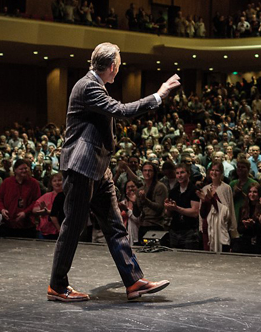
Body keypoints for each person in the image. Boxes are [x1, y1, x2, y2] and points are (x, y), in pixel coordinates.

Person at [48, 42, 180, 302]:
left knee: (114, 226)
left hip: (98, 167)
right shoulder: (88, 87)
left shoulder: (95, 86)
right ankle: (57, 286)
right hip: (81, 166)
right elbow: (121, 111)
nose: (118, 70)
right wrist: (159, 95)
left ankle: (132, 281)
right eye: (118, 66)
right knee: (72, 228)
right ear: (112, 66)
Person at [0, 159, 40, 238]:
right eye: (21, 169)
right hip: (9, 224)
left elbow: (36, 201)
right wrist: (2, 209)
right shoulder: (7, 182)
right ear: (15, 170)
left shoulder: (34, 183)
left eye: (26, 168)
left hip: (27, 225)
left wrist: (25, 212)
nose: (24, 171)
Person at [198, 162, 238, 252]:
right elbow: (202, 213)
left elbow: (228, 210)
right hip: (208, 227)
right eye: (212, 170)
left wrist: (233, 229)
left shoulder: (226, 188)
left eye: (217, 170)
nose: (214, 173)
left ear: (221, 173)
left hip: (221, 227)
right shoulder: (205, 189)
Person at [164, 163, 200, 250]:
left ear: (188, 173)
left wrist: (177, 208)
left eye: (182, 173)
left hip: (190, 231)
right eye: (177, 173)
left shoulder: (194, 190)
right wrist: (168, 208)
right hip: (175, 230)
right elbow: (168, 214)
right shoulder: (173, 191)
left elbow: (195, 212)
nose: (179, 175)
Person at [136, 161, 168, 238]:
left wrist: (145, 200)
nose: (147, 173)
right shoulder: (140, 189)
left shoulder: (160, 187)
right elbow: (137, 213)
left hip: (156, 225)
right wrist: (134, 202)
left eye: (150, 170)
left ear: (154, 172)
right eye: (145, 170)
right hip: (143, 224)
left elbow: (159, 208)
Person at [33, 173, 63, 239]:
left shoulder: (66, 196)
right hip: (46, 230)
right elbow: (34, 210)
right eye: (54, 181)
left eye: (59, 180)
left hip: (61, 230)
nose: (57, 183)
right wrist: (40, 210)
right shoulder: (46, 196)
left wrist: (49, 212)